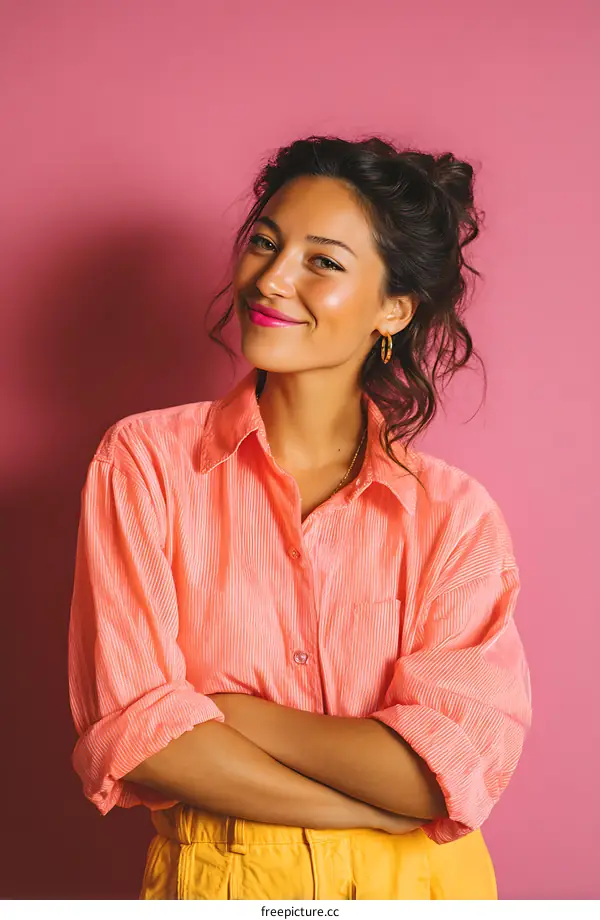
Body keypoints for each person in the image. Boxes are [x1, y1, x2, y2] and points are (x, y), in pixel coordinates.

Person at [68, 135, 531, 900]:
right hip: (228, 883)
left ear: (394, 308)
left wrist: (231, 712)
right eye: (264, 242)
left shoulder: (454, 518)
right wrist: (353, 806)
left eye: (323, 261)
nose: (272, 280)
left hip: (423, 890)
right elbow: (141, 740)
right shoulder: (143, 464)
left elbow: (437, 775)